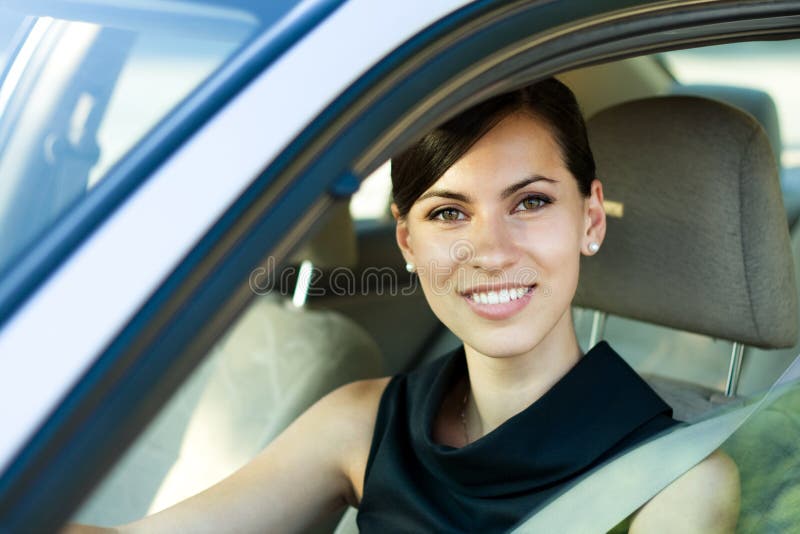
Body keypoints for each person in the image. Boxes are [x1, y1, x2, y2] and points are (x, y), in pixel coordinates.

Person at [65, 78, 740, 533]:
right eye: (449, 213)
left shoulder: (678, 483)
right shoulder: (363, 422)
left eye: (530, 202)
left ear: (590, 219)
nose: (491, 250)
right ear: (407, 241)